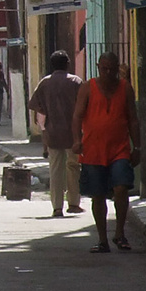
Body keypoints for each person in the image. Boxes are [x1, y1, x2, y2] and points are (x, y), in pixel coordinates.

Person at [73, 52, 142, 253]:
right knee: (98, 195)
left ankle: (120, 233)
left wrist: (137, 147)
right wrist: (77, 140)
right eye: (104, 69)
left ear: (117, 68)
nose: (108, 73)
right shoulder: (87, 88)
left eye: (112, 69)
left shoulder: (125, 88)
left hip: (119, 149)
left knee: (121, 188)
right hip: (93, 150)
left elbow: (133, 119)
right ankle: (103, 239)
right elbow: (77, 116)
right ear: (98, 67)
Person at [28, 50, 84, 218]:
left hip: (53, 133)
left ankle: (57, 207)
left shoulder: (45, 83)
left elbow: (36, 107)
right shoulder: (76, 82)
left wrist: (43, 128)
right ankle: (73, 203)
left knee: (55, 169)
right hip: (73, 133)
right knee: (73, 167)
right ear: (67, 64)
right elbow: (84, 106)